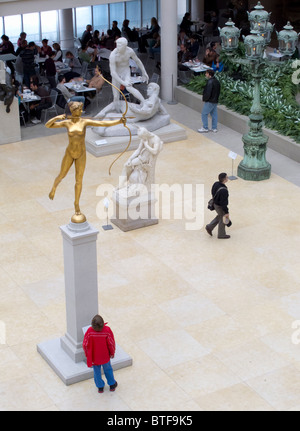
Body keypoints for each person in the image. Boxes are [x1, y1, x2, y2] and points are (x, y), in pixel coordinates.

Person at [46, 101, 126, 221]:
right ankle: (54, 188)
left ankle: (76, 204)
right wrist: (57, 117)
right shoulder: (67, 123)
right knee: (62, 175)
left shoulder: (85, 122)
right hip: (69, 153)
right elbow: (48, 125)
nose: (81, 112)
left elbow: (102, 123)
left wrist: (119, 121)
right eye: (79, 110)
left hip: (81, 154)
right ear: (74, 111)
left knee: (79, 180)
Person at [109, 37, 149, 112]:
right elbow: (113, 73)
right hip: (116, 74)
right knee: (116, 96)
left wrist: (144, 72)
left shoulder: (129, 51)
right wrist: (123, 82)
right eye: (117, 45)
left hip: (126, 71)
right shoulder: (113, 55)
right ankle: (118, 113)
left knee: (129, 88)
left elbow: (137, 61)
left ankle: (144, 102)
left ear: (125, 46)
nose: (117, 47)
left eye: (119, 46)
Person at [82, 315, 117, 393]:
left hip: (94, 357)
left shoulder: (89, 331)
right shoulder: (107, 330)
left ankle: (100, 387)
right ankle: (112, 385)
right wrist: (112, 352)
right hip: (105, 356)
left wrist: (87, 355)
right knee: (108, 369)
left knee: (97, 372)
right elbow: (111, 343)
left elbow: (85, 344)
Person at [205, 172, 230, 239]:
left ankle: (209, 227)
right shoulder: (224, 191)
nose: (228, 178)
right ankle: (221, 234)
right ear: (224, 179)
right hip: (220, 206)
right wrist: (227, 212)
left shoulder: (216, 184)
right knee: (223, 217)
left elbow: (212, 192)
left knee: (220, 215)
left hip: (215, 204)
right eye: (227, 177)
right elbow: (223, 203)